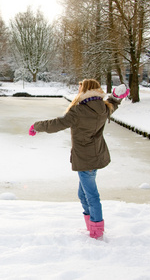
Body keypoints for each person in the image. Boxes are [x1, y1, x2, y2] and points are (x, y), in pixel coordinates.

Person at [29, 79, 129, 239]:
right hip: (97, 155)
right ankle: (92, 226)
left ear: (85, 90)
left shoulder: (78, 111)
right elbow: (113, 104)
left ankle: (96, 230)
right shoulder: (103, 107)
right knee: (83, 194)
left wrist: (37, 126)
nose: (78, 90)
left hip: (85, 158)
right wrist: (117, 96)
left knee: (91, 195)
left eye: (80, 87)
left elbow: (58, 123)